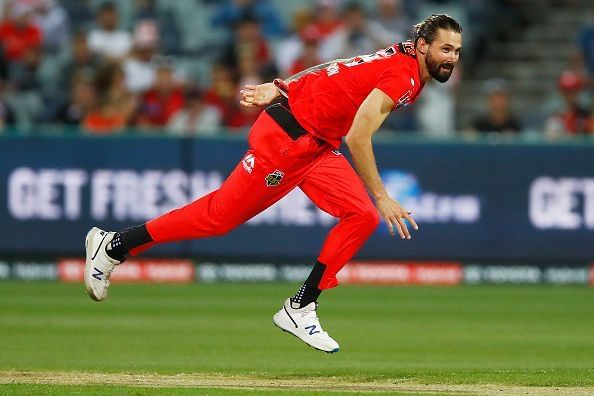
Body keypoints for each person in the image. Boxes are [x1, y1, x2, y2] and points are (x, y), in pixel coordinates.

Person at [84, 14, 462, 353]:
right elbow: (358, 137)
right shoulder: (404, 74)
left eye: (457, 51)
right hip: (287, 140)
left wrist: (282, 86)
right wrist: (382, 196)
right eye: (446, 49)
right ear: (423, 46)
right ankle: (115, 245)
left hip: (315, 144)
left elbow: (336, 68)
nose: (452, 58)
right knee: (217, 218)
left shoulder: (402, 56)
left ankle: (300, 305)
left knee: (359, 215)